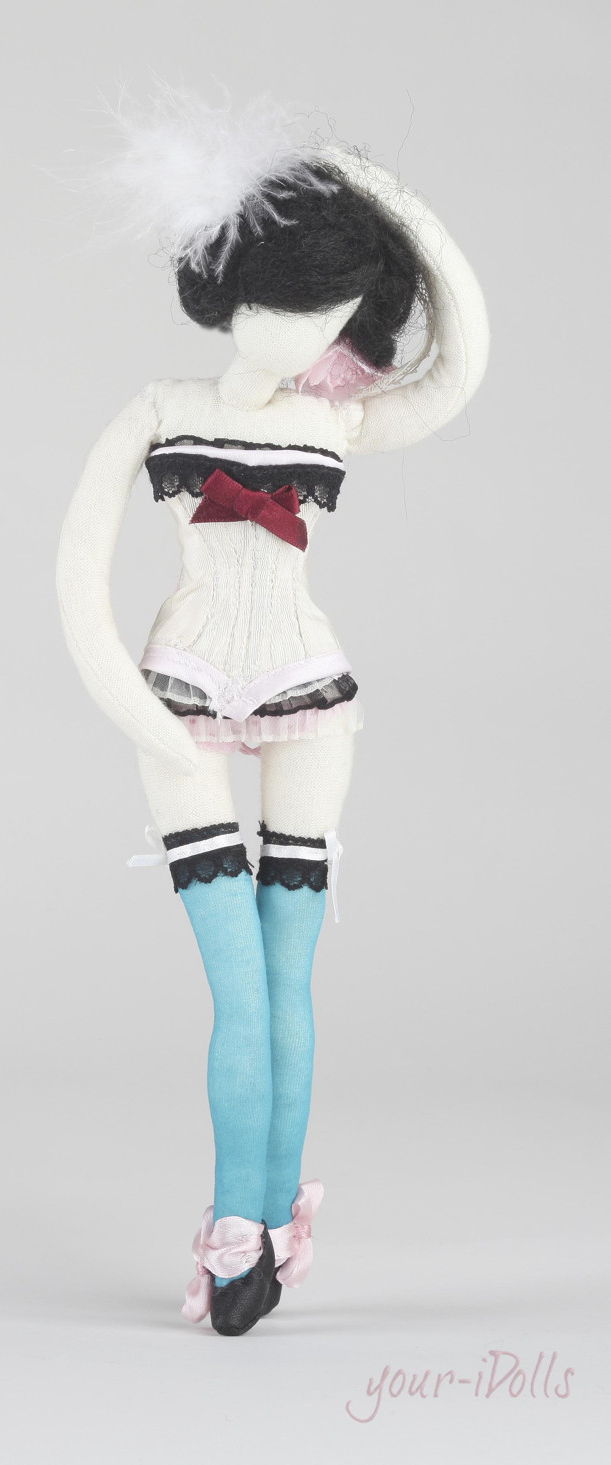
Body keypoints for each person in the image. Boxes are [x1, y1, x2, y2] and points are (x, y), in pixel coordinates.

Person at [56, 101, 489, 1335]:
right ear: (235, 282)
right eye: (308, 294)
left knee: (288, 980)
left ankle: (265, 1228)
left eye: (338, 303)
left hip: (309, 691)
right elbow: (75, 576)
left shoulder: (333, 417)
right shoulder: (158, 407)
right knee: (241, 988)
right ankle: (234, 1228)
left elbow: (462, 364)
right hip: (180, 696)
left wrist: (372, 192)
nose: (319, 327)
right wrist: (133, 708)